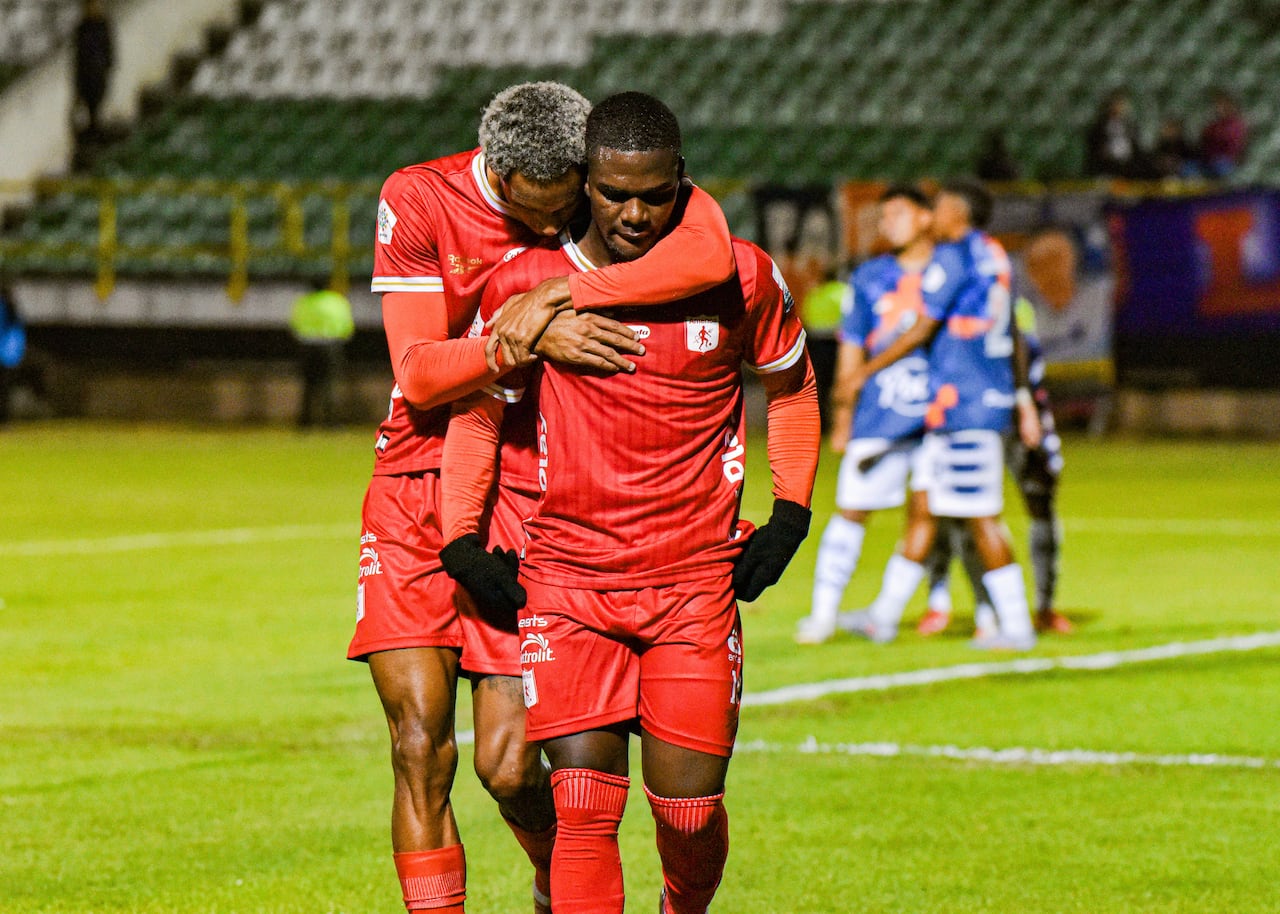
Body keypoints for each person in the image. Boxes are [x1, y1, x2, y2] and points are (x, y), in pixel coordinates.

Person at [350, 81, 736, 914]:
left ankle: (558, 881)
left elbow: (712, 255)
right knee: (417, 743)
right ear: (501, 176)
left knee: (509, 766)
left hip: (528, 486)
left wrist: (564, 296)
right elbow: (418, 375)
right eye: (541, 210)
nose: (557, 226)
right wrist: (522, 339)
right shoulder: (419, 197)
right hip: (414, 482)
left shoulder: (618, 193)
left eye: (571, 206)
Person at [439, 92, 820, 914]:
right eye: (615, 194)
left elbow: (791, 387)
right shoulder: (524, 284)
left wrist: (791, 512)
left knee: (689, 813)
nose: (635, 215)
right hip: (569, 586)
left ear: (682, 179)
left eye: (655, 194)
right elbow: (477, 414)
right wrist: (459, 539)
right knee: (581, 809)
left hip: (693, 585)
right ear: (585, 182)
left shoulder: (742, 275)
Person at [838, 180, 1041, 650]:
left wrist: (864, 372)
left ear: (959, 213)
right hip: (974, 401)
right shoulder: (994, 254)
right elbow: (1010, 328)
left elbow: (922, 327)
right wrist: (1021, 395)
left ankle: (1016, 627)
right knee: (926, 507)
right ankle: (884, 616)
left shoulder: (953, 257)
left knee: (981, 517)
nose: (935, 214)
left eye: (942, 206)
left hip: (963, 404)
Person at [795, 185, 936, 645]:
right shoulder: (871, 277)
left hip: (939, 418)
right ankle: (823, 614)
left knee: (926, 513)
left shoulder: (947, 272)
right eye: (883, 216)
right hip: (880, 414)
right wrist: (843, 418)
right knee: (852, 511)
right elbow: (852, 351)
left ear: (925, 217)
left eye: (897, 214)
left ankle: (886, 615)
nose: (886, 224)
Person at [917, 292, 1072, 637]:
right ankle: (973, 608)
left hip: (1018, 421)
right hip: (973, 419)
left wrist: (1028, 408)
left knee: (1039, 504)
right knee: (954, 513)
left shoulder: (1006, 301)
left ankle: (1043, 607)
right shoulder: (950, 304)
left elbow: (1023, 356)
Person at [289, 279, 354, 428]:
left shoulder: (303, 302)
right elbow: (347, 327)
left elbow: (295, 325)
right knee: (329, 384)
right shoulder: (337, 301)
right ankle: (331, 422)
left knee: (308, 385)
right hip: (330, 345)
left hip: (308, 346)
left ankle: (305, 422)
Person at [73, 0, 115, 138]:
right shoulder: (82, 29)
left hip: (99, 71)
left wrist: (107, 64)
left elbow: (108, 48)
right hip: (86, 75)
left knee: (99, 101)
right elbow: (78, 57)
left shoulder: (103, 24)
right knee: (91, 106)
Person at [1084, 89, 1147, 179]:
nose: (1119, 107)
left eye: (1121, 104)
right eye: (1116, 104)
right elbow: (1093, 146)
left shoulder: (1131, 126)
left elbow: (1136, 148)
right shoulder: (1100, 125)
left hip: (1127, 168)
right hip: (1106, 167)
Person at [1199, 89, 1248, 178]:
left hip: (1225, 163)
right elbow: (1204, 138)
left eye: (1222, 105)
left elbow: (1230, 143)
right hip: (1209, 161)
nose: (1218, 108)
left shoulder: (1236, 124)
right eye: (1217, 105)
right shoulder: (1215, 124)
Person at [0, 281, 28, 425]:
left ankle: (4, 418)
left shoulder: (9, 310)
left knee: (4, 389)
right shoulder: (9, 309)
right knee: (4, 389)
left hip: (6, 355)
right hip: (8, 355)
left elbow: (14, 333)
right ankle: (4, 418)